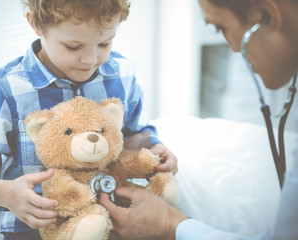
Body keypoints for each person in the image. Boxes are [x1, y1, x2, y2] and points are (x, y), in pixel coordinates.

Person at [0, 0, 178, 239]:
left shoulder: (122, 74)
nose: (90, 60)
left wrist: (155, 148)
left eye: (104, 43)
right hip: (37, 224)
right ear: (36, 23)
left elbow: (136, 132)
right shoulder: (4, 89)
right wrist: (3, 194)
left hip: (113, 216)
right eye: (73, 46)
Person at [99, 0, 298, 239]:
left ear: (268, 14)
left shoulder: (122, 74)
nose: (233, 48)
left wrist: (169, 224)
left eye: (220, 27)